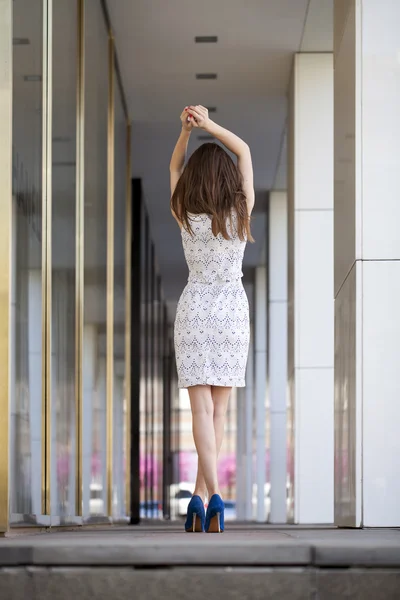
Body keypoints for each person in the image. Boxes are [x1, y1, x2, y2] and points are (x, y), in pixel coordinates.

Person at [170, 105, 255, 533]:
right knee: (219, 412)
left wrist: (186, 133)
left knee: (200, 410)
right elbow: (242, 152)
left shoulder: (184, 210)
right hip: (231, 310)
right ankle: (208, 499)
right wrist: (209, 127)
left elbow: (174, 165)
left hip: (195, 308)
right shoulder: (240, 212)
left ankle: (205, 497)